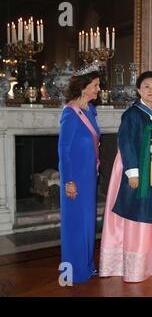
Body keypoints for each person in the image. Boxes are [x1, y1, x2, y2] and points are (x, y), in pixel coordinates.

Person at [99, 71, 152, 282]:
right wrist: (132, 173)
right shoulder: (132, 114)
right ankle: (138, 266)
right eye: (146, 87)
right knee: (141, 211)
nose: (151, 90)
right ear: (138, 90)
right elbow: (126, 144)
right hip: (139, 168)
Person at [58, 63, 101, 283]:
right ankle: (72, 271)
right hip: (75, 179)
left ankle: (86, 265)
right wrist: (68, 182)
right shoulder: (71, 113)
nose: (98, 89)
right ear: (83, 87)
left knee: (87, 223)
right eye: (95, 85)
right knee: (74, 224)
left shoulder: (90, 110)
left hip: (89, 177)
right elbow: (63, 151)